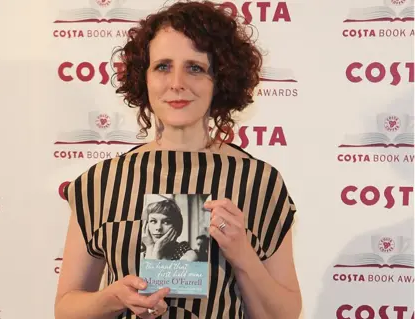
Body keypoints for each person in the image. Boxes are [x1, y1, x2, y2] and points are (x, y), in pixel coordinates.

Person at [55, 1, 302, 319]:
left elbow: (284, 315)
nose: (177, 83)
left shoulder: (259, 182)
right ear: (143, 77)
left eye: (195, 68)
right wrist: (113, 298)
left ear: (222, 80)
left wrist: (242, 253)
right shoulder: (101, 182)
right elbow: (65, 309)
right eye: (162, 66)